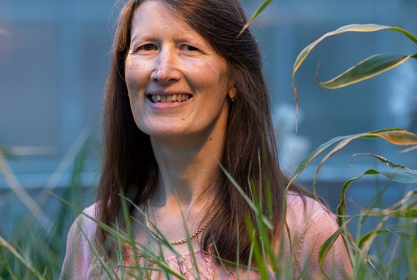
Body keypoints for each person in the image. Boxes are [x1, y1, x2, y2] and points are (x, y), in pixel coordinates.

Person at [61, 0, 352, 278]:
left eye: (189, 47)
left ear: (234, 78)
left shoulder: (300, 228)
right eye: (147, 47)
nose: (163, 71)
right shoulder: (93, 234)